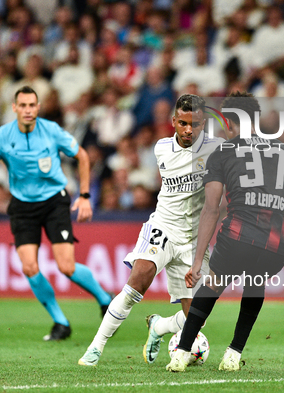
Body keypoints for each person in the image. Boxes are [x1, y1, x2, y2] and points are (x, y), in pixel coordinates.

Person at [78, 94, 224, 366]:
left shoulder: (218, 149)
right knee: (139, 278)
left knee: (198, 316)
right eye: (183, 123)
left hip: (193, 238)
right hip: (164, 226)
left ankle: (159, 326)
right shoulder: (161, 149)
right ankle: (95, 348)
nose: (189, 130)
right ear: (174, 122)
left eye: (195, 124)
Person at [166, 91, 284, 372]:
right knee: (255, 285)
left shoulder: (224, 151)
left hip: (239, 236)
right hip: (279, 245)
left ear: (228, 122)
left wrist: (197, 262)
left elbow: (211, 208)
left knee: (214, 282)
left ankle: (181, 353)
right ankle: (233, 354)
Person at [0, 86, 112, 341]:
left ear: (38, 107)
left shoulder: (51, 131)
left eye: (32, 105)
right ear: (14, 108)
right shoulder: (3, 135)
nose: (27, 110)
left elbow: (82, 156)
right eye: (22, 105)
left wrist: (84, 196)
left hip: (54, 202)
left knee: (66, 266)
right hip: (23, 206)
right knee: (29, 266)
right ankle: (61, 322)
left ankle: (105, 299)